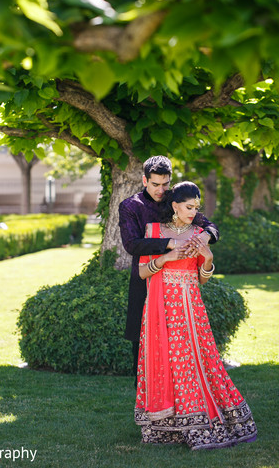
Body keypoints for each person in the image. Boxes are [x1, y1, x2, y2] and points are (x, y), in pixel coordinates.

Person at [134, 181, 257, 449]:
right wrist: (166, 257)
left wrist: (209, 257)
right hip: (161, 308)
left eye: (196, 208)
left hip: (190, 309)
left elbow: (202, 279)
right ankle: (166, 427)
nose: (193, 212)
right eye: (188, 207)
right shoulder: (154, 231)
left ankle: (200, 421)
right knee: (167, 362)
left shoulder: (199, 234)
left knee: (195, 362)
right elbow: (143, 271)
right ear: (175, 206)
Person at [119, 156, 219, 382]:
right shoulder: (130, 207)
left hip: (180, 289)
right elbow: (132, 244)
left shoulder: (175, 199)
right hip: (145, 281)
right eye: (155, 184)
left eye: (165, 184)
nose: (161, 190)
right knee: (143, 346)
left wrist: (203, 236)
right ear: (145, 180)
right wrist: (170, 244)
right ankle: (147, 405)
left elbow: (211, 227)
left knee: (178, 349)